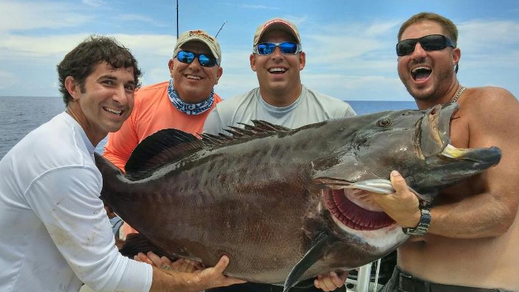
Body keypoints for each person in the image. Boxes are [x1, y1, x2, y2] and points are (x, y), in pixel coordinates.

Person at [0, 35, 243, 292]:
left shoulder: (71, 146)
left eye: (129, 87)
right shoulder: (66, 161)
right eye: (108, 82)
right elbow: (106, 275)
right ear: (73, 87)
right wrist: (198, 282)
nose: (121, 98)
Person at [370, 12, 519, 292]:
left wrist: (418, 219)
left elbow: (501, 210)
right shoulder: (408, 129)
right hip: (400, 281)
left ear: (455, 55)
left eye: (433, 43)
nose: (417, 52)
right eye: (405, 48)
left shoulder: (489, 102)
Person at [204, 18, 356, 292]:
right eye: (265, 49)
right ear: (253, 61)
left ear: (302, 59)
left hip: (312, 279)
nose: (277, 55)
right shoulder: (225, 115)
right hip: (236, 277)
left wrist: (344, 261)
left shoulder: (337, 117)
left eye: (287, 47)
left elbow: (354, 200)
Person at [103, 29, 223, 236]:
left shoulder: (226, 116)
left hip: (200, 235)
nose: (194, 65)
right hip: (140, 229)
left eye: (206, 59)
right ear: (171, 66)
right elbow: (115, 155)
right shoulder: (138, 101)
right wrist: (122, 198)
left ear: (218, 74)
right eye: (185, 57)